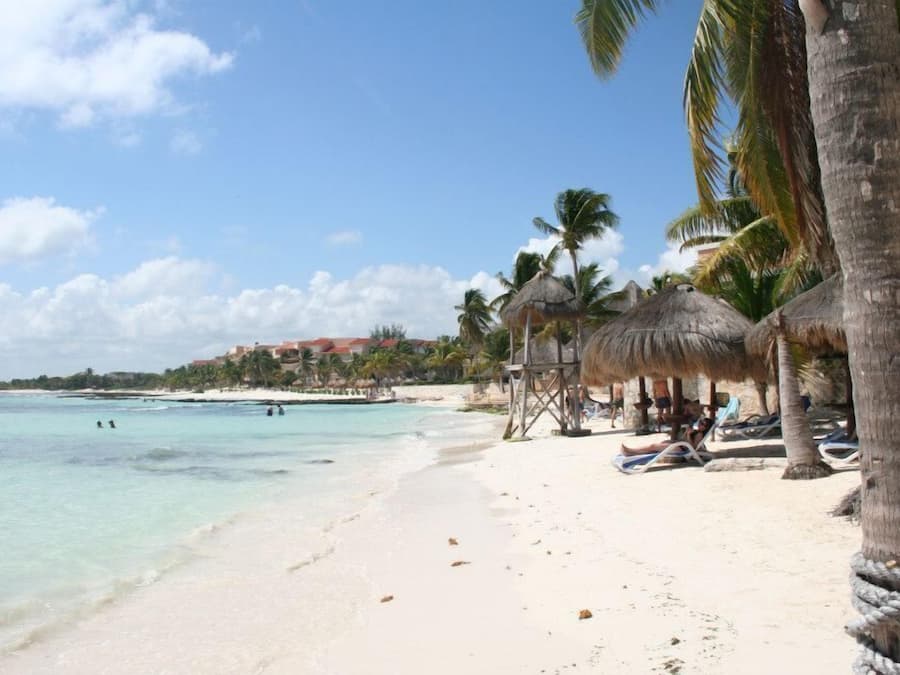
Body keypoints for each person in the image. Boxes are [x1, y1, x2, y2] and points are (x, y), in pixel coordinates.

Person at [620, 417, 713, 457]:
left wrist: (688, 435)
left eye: (703, 424)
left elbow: (693, 448)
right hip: (679, 444)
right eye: (701, 422)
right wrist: (686, 433)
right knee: (657, 446)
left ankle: (631, 451)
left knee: (653, 446)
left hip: (681, 448)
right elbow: (685, 440)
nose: (700, 424)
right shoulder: (696, 431)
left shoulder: (700, 434)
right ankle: (633, 452)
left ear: (706, 428)